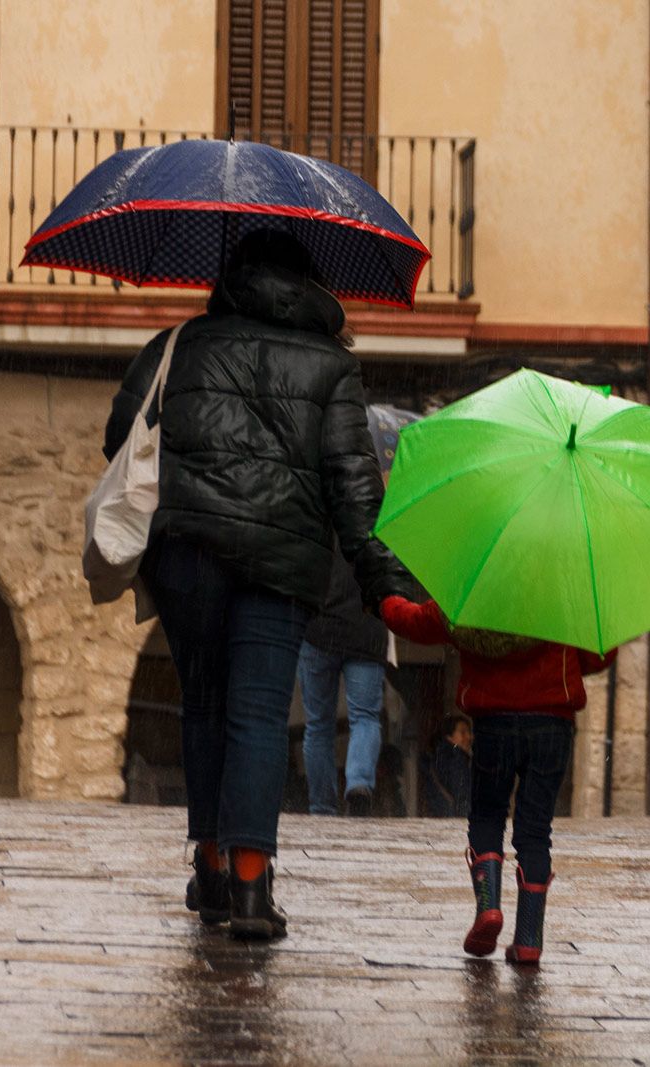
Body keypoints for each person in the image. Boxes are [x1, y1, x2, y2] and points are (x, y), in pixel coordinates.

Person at [103, 229, 408, 940]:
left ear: (233, 275)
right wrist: (383, 584)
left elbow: (120, 436)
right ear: (308, 282)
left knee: (204, 705)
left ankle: (208, 866)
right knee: (260, 715)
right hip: (281, 561)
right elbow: (356, 491)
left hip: (185, 555)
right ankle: (248, 886)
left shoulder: (178, 344)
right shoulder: (331, 365)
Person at [379, 599, 614, 964]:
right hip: (552, 721)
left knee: (488, 814)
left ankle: (488, 909)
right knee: (535, 830)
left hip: (494, 719)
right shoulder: (567, 586)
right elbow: (598, 657)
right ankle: (529, 939)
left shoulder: (480, 587)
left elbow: (423, 623)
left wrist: (386, 600)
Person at [299, 550, 390, 817]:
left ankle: (322, 806)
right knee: (365, 717)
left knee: (318, 725)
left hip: (319, 628)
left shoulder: (317, 516)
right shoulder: (380, 520)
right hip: (367, 631)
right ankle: (359, 783)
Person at [422, 713, 474, 818]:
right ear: (449, 737)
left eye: (469, 732)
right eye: (463, 732)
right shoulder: (455, 759)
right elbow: (462, 797)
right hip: (454, 820)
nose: (469, 737)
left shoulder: (439, 757)